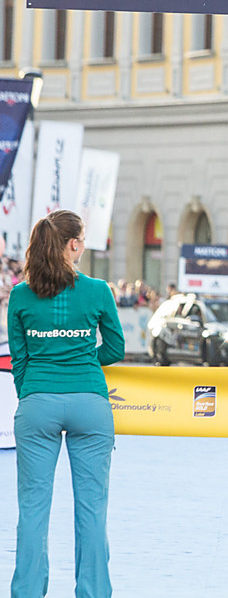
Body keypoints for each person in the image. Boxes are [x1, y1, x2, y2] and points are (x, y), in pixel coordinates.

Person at [8, 210, 125, 598]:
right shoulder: (98, 291)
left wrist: (33, 392)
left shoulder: (21, 295)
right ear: (73, 245)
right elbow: (115, 348)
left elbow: (19, 359)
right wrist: (84, 360)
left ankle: (26, 592)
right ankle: (92, 592)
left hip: (37, 403)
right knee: (92, 509)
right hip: (89, 402)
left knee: (33, 509)